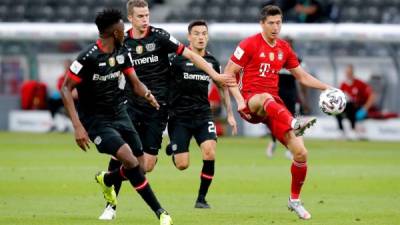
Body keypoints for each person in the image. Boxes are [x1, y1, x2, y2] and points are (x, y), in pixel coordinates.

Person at [99, 0, 236, 219]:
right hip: (131, 106)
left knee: (146, 166)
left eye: (147, 15)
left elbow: (190, 55)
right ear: (131, 18)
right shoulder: (121, 41)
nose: (145, 20)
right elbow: (108, 69)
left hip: (157, 110)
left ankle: (107, 178)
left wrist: (216, 75)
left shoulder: (160, 36)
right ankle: (110, 206)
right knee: (121, 152)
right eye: (141, 16)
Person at [60, 8, 172, 225]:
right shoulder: (88, 57)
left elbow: (134, 81)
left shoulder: (122, 51)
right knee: (129, 160)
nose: (125, 31)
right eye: (122, 28)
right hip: (96, 120)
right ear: (114, 32)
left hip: (121, 113)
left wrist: (148, 95)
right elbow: (66, 88)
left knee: (139, 167)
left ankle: (107, 179)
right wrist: (77, 126)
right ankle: (161, 213)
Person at [225, 5, 331, 220]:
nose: (276, 27)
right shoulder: (248, 44)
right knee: (266, 98)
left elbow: (302, 77)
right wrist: (238, 101)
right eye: (271, 23)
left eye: (279, 23)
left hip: (274, 106)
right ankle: (294, 123)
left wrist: (327, 88)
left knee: (301, 153)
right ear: (262, 24)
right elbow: (228, 74)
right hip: (251, 101)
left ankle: (294, 200)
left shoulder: (284, 48)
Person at [165, 20, 237, 209]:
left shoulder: (212, 62)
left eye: (204, 33)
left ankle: (201, 199)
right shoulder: (175, 59)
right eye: (196, 33)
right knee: (182, 165)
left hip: (203, 116)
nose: (200, 37)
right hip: (179, 117)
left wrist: (230, 114)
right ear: (189, 37)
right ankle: (174, 149)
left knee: (210, 152)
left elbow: (222, 87)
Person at [265, 37, 310, 159]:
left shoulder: (298, 61)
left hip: (292, 96)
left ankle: (292, 148)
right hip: (277, 95)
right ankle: (273, 142)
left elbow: (302, 81)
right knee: (275, 121)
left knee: (293, 121)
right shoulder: (274, 58)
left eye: (289, 44)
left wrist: (304, 100)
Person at [336, 64, 375, 139]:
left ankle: (353, 130)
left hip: (358, 108)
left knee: (351, 105)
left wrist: (365, 109)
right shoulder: (343, 84)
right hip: (347, 108)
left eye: (349, 73)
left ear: (353, 73)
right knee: (337, 110)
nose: (348, 74)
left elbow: (372, 95)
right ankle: (341, 131)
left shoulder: (360, 84)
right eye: (347, 73)